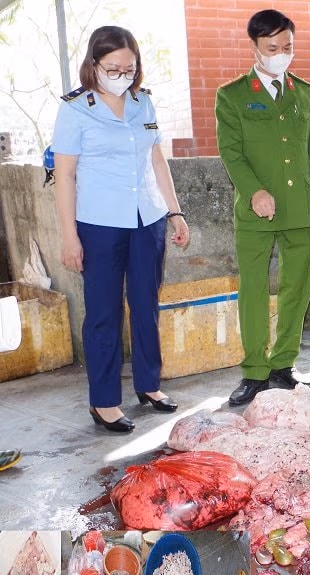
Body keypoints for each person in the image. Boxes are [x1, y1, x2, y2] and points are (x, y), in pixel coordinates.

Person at [52, 25, 189, 433]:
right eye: (113, 68)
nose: (122, 75)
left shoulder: (143, 103)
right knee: (103, 313)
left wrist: (175, 212)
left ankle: (149, 385)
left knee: (146, 304)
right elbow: (65, 176)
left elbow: (157, 161)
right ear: (94, 64)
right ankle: (104, 401)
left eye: (129, 68)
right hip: (99, 226)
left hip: (147, 220)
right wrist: (69, 236)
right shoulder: (75, 109)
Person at [215, 9, 310, 406]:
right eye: (272, 48)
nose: (281, 54)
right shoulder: (232, 95)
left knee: (296, 288)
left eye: (287, 46)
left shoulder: (303, 91)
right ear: (255, 47)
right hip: (256, 212)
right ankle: (254, 371)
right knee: (253, 289)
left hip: (301, 207)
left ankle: (283, 365)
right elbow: (232, 153)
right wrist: (253, 191)